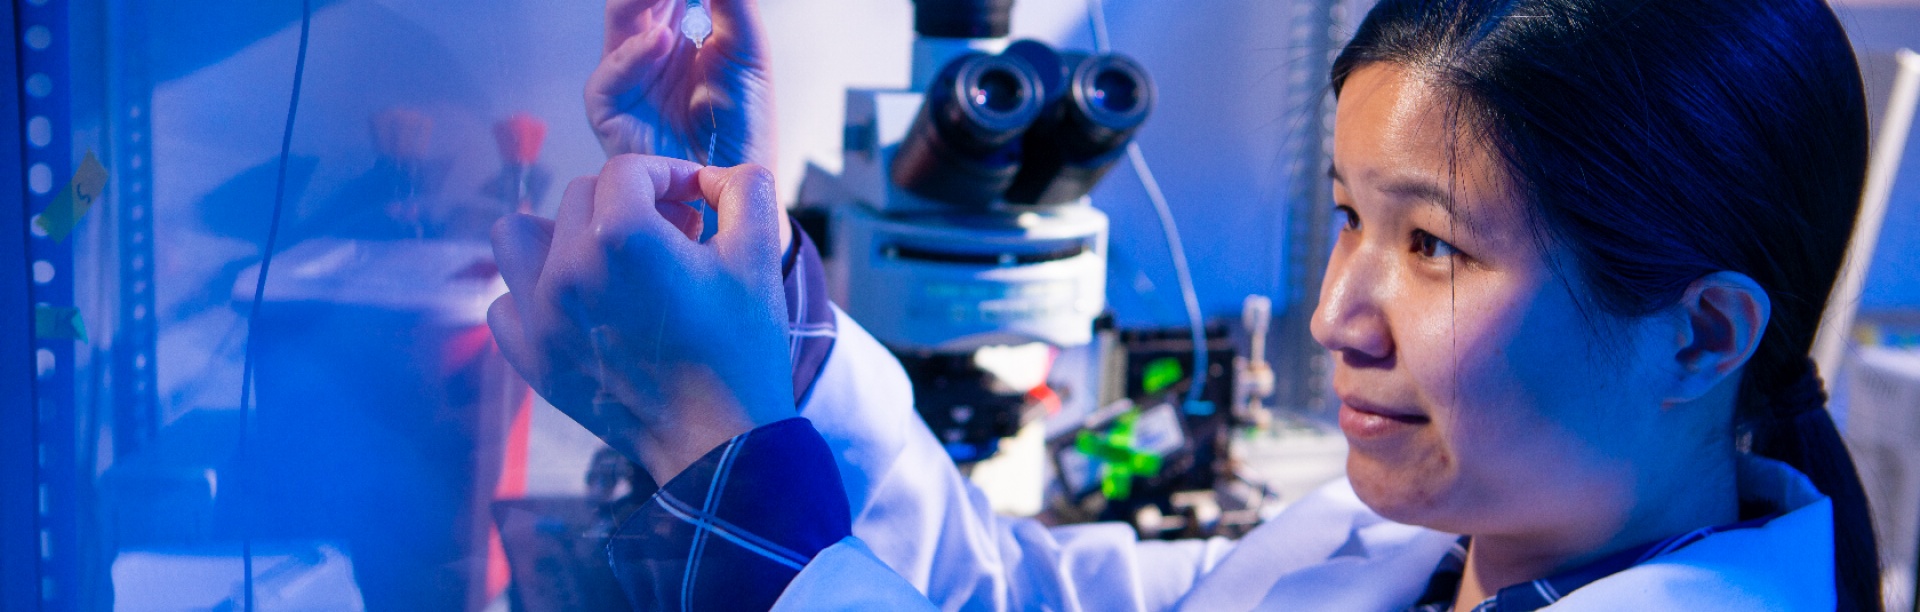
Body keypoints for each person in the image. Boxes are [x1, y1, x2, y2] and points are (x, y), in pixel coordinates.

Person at [485, 0, 1884, 609]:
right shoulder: (1398, 544)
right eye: (1349, 217)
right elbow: (1013, 598)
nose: (1341, 311)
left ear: (1702, 332)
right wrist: (737, 252)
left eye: (1438, 248)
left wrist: (716, 449)